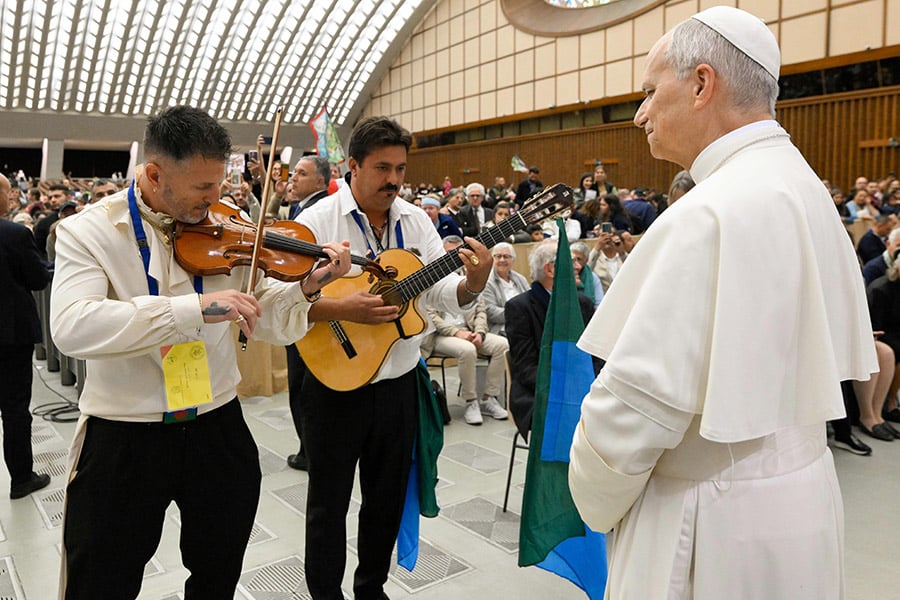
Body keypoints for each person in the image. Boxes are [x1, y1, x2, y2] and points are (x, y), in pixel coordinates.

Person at [567, 7, 877, 599]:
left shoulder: (708, 211)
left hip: (710, 524)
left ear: (703, 84)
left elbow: (633, 412)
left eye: (651, 92)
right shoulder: (805, 186)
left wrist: (589, 490)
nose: (641, 115)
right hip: (802, 501)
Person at [49, 105, 350, 599]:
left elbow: (267, 319)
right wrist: (192, 308)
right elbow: (71, 326)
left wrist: (306, 288)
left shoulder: (224, 225)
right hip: (124, 433)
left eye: (219, 184)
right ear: (153, 174)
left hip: (216, 423)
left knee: (219, 568)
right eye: (202, 188)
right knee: (100, 578)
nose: (217, 200)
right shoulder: (90, 231)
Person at [295, 116, 493, 600]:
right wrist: (343, 307)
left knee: (384, 499)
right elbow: (283, 299)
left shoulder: (415, 220)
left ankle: (371, 589)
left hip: (399, 380)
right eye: (382, 168)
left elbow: (441, 289)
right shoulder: (315, 221)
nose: (393, 181)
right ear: (353, 166)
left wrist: (474, 281)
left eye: (401, 169)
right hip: (332, 382)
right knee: (328, 503)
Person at [505, 240, 599, 439]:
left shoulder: (583, 304)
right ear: (550, 269)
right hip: (539, 391)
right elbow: (526, 367)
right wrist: (565, 387)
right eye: (571, 261)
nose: (578, 266)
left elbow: (596, 354)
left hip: (582, 387)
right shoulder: (520, 307)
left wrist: (594, 385)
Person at [0, 173, 52, 500]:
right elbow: (36, 278)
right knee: (15, 408)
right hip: (10, 336)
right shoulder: (15, 234)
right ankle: (21, 478)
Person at [421, 236, 510, 425]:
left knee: (502, 345)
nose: (453, 258)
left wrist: (480, 332)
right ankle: (471, 401)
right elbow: (431, 316)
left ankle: (489, 398)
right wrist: (456, 333)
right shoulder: (430, 277)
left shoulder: (470, 275)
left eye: (457, 253)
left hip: (470, 331)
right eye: (448, 253)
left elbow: (481, 309)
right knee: (467, 350)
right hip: (441, 335)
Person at [481, 242, 529, 335]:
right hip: (501, 327)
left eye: (506, 256)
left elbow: (532, 300)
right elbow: (490, 311)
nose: (502, 260)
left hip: (525, 322)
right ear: (492, 259)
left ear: (513, 260)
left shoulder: (520, 279)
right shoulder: (486, 281)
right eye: (498, 256)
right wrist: (518, 314)